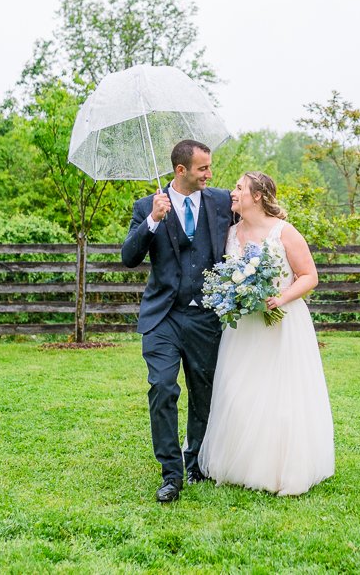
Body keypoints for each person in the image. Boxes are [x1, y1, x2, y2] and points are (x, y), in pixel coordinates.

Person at [198, 171, 335, 496]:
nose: (233, 192)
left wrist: (280, 297)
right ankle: (239, 464)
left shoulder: (283, 232)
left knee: (279, 394)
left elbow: (309, 276)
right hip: (244, 326)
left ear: (257, 195)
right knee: (240, 390)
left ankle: (279, 468)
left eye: (239, 187)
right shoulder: (230, 233)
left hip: (281, 322)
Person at [121, 139, 234, 503]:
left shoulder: (218, 201)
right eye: (203, 168)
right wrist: (153, 220)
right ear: (181, 170)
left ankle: (196, 461)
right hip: (163, 316)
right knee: (163, 388)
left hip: (205, 316)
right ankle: (171, 474)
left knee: (204, 393)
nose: (209, 174)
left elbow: (253, 216)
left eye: (210, 167)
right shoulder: (147, 206)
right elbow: (128, 257)